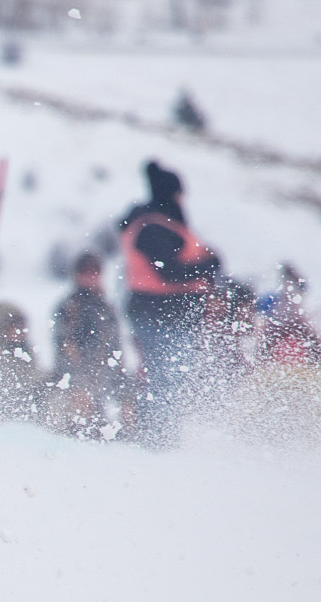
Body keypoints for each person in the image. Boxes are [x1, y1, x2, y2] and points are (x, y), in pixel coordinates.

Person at [119, 160, 222, 449]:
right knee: (166, 380)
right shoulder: (153, 226)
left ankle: (162, 438)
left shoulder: (161, 223)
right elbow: (168, 271)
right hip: (159, 313)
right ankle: (157, 442)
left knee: (172, 381)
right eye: (179, 193)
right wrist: (207, 265)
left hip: (169, 313)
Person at [47, 251, 123, 437]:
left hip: (103, 377)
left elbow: (115, 347)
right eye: (86, 272)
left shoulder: (106, 307)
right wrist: (79, 382)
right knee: (78, 406)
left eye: (94, 272)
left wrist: (117, 382)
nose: (90, 277)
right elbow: (63, 348)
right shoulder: (69, 307)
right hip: (73, 377)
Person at [0, 302, 47, 424]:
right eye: (14, 327)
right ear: (2, 328)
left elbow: (34, 375)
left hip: (25, 410)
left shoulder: (25, 350)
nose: (20, 332)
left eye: (22, 327)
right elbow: (5, 385)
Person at [256, 264, 321, 367]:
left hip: (280, 323)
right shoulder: (293, 287)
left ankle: (260, 365)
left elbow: (264, 308)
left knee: (265, 347)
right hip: (293, 322)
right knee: (314, 343)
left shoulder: (281, 289)